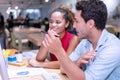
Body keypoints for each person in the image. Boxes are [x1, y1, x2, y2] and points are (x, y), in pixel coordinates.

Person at [42, 0, 120, 80]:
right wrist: (77, 63)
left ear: (90, 24)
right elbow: (63, 68)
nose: (74, 26)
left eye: (77, 21)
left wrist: (59, 51)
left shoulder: (113, 48)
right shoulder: (85, 43)